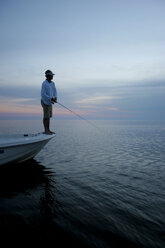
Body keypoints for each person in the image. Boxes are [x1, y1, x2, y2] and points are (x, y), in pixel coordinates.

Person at [41, 70, 57, 134]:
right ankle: (46, 130)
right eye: (51, 75)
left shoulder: (53, 83)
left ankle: (48, 130)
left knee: (49, 116)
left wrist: (55, 97)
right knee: (46, 116)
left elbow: (55, 91)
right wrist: (50, 98)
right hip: (45, 102)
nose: (52, 76)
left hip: (50, 102)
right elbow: (43, 94)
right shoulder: (44, 83)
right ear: (48, 76)